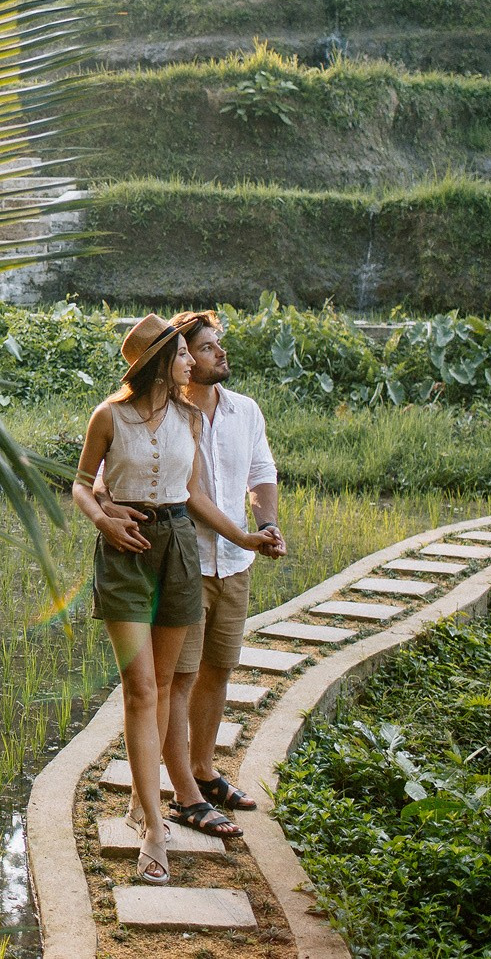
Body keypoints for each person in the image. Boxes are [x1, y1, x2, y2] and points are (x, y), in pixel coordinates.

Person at [75, 312, 280, 884]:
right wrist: (104, 516)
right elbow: (83, 482)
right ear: (163, 362)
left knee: (164, 686)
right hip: (126, 551)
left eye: (197, 351)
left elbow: (192, 494)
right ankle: (154, 828)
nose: (193, 359)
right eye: (185, 353)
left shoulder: (188, 418)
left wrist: (246, 535)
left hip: (179, 549)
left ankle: (143, 800)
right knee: (142, 687)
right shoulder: (108, 415)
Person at [164, 311, 283, 833]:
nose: (220, 352)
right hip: (184, 563)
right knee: (180, 678)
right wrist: (242, 534)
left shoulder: (245, 411)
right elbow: (189, 495)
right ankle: (184, 795)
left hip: (234, 566)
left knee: (218, 670)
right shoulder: (167, 413)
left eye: (219, 344)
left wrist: (267, 524)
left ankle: (204, 769)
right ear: (183, 359)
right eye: (207, 347)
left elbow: (261, 472)